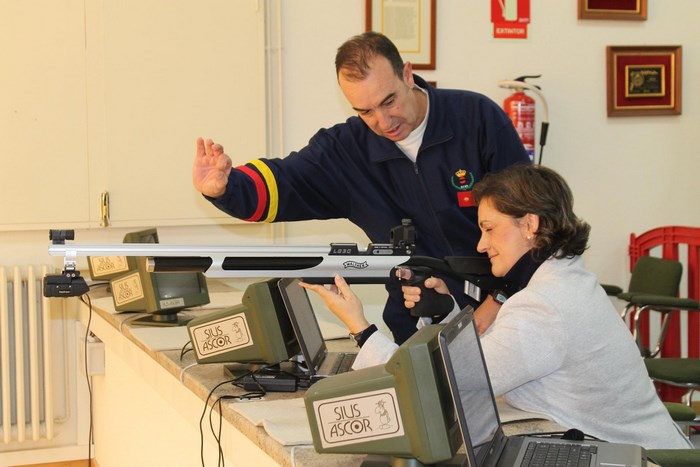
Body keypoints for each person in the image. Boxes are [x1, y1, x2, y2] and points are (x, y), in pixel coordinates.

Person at [300, 164, 692, 450]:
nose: (480, 245)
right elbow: (490, 361)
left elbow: (441, 391)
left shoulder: (543, 305)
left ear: (530, 225)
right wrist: (446, 313)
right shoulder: (561, 281)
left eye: (489, 228)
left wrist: (360, 328)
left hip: (638, 459)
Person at [193, 31, 530, 345]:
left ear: (407, 75)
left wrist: (499, 299)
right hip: (415, 325)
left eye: (389, 101)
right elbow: (284, 182)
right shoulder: (346, 150)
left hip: (503, 316)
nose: (384, 122)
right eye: (365, 111)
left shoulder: (476, 119)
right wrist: (226, 187)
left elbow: (532, 222)